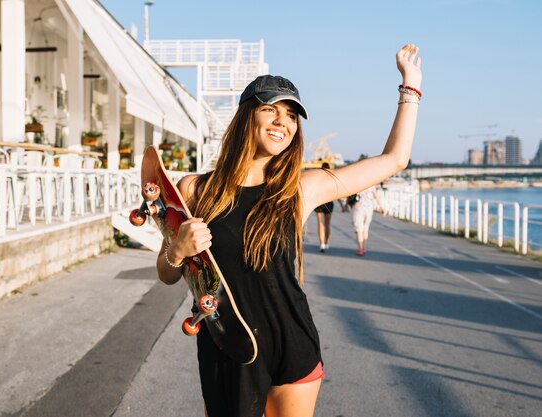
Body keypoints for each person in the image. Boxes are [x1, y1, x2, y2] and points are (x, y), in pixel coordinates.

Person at [156, 44, 422, 417]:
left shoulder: (300, 189)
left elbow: (394, 159)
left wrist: (410, 88)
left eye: (292, 115)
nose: (284, 121)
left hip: (290, 342)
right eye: (271, 110)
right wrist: (179, 250)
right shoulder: (195, 190)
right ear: (248, 116)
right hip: (228, 344)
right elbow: (167, 273)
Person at [313, 162, 345, 252]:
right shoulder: (332, 179)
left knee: (320, 224)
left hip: (319, 203)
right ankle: (326, 242)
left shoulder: (318, 179)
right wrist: (342, 206)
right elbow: (337, 194)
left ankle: (322, 244)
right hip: (329, 204)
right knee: (327, 224)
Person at [348, 185, 384, 255]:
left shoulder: (357, 182)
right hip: (369, 208)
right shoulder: (371, 183)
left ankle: (360, 248)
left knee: (359, 229)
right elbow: (376, 195)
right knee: (365, 229)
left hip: (358, 207)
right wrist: (382, 207)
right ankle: (364, 248)